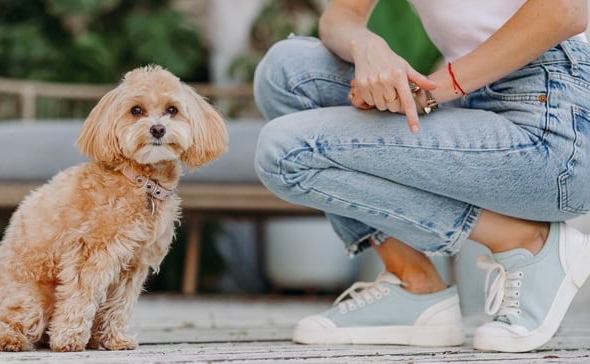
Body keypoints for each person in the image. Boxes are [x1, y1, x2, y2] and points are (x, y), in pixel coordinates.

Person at [253, 0, 590, 353]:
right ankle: (414, 283)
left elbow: (565, 11)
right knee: (287, 72)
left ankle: (526, 242)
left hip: (553, 120)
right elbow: (342, 16)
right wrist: (367, 46)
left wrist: (430, 92)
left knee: (285, 153)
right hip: (469, 101)